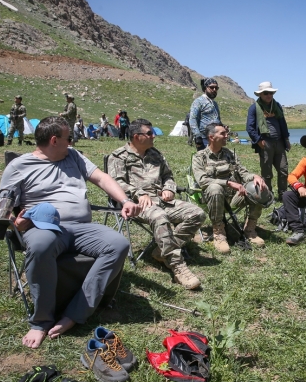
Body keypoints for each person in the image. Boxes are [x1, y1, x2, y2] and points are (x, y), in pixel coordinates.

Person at [0, 116, 140, 349]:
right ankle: (41, 321)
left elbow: (101, 178)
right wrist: (14, 222)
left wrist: (124, 199)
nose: (72, 142)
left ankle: (75, 314)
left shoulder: (73, 156)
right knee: (41, 246)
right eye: (68, 138)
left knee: (118, 244)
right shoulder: (19, 166)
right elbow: (2, 206)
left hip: (82, 227)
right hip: (44, 227)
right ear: (54, 140)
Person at [108, 119, 205, 289]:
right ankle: (177, 266)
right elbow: (116, 182)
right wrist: (139, 193)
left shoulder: (155, 154)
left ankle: (161, 251)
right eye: (150, 133)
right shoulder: (118, 157)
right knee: (160, 217)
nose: (154, 136)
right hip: (136, 204)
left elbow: (168, 176)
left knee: (197, 213)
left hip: (161, 199)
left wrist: (169, 189)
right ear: (137, 137)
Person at [192, 123, 270, 253]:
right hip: (213, 199)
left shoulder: (230, 154)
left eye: (226, 133)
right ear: (211, 137)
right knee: (215, 188)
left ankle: (250, 229)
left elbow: (243, 173)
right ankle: (219, 233)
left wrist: (255, 177)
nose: (226, 136)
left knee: (257, 187)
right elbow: (202, 181)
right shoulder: (199, 157)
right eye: (222, 134)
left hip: (234, 197)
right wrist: (228, 183)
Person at [247, 81, 291, 199]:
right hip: (265, 143)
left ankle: (283, 195)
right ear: (260, 95)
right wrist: (258, 140)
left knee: (283, 170)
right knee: (267, 173)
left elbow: (283, 123)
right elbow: (249, 127)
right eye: (266, 93)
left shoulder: (277, 106)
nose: (268, 95)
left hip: (280, 142)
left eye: (271, 93)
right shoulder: (254, 108)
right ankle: (268, 195)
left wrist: (286, 139)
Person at [189, 78, 222, 151]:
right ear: (205, 88)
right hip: (203, 139)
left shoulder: (215, 104)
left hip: (216, 137)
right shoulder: (198, 102)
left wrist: (222, 127)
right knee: (205, 161)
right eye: (211, 87)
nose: (214, 89)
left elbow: (218, 119)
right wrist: (197, 136)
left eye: (216, 88)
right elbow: (192, 119)